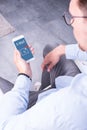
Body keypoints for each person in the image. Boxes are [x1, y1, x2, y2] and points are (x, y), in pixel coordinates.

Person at [0, 0, 87, 129]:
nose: (71, 24)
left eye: (72, 18)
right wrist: (62, 50)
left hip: (56, 105)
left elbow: (6, 126)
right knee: (52, 48)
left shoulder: (64, 109)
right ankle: (44, 89)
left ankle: (39, 95)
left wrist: (24, 75)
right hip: (69, 86)